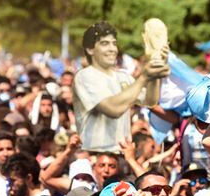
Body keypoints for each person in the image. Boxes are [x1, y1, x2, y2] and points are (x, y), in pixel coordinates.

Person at [73, 21, 170, 152]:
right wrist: (143, 78)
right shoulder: (84, 77)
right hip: (94, 156)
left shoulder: (124, 77)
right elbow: (112, 109)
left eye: (114, 43)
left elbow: (150, 101)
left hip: (123, 154)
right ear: (90, 49)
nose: (112, 49)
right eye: (104, 44)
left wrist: (156, 66)